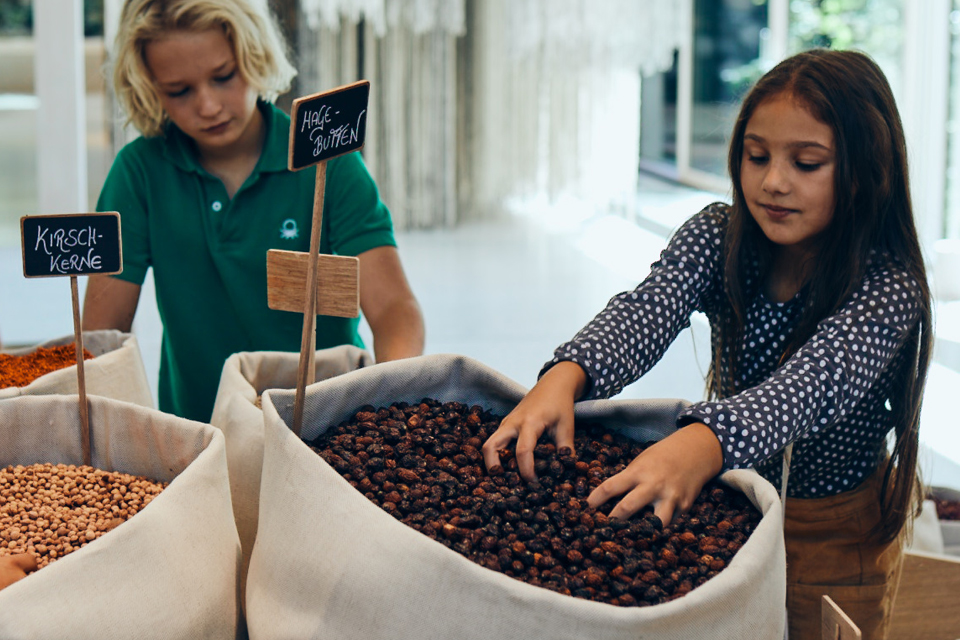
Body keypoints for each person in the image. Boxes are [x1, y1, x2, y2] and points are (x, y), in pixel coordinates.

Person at [482, 49, 931, 640]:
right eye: (757, 155)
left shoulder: (887, 287)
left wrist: (706, 442)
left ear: (865, 172)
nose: (774, 181)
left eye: (808, 163)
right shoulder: (718, 235)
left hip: (835, 532)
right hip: (734, 505)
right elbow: (646, 310)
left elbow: (808, 387)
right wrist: (567, 374)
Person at [82, 0, 425, 422]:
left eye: (224, 77)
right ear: (148, 86)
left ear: (255, 54)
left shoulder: (328, 162)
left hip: (329, 429)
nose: (208, 106)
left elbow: (394, 308)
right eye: (179, 90)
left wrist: (392, 397)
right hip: (202, 434)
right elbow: (99, 344)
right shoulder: (137, 173)